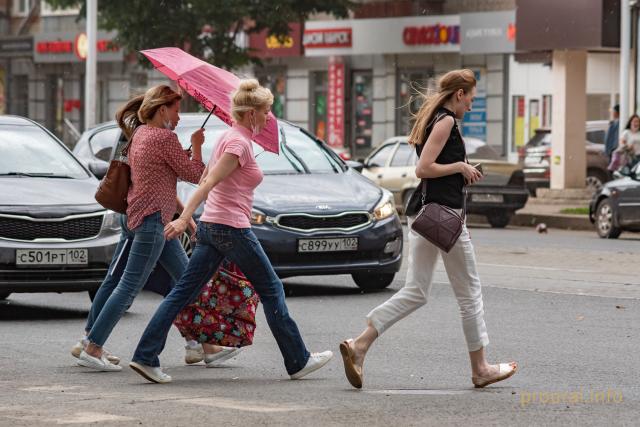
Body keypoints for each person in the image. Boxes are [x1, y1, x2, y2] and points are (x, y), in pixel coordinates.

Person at [128, 79, 333, 384]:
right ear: (251, 113)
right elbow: (207, 183)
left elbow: (212, 180)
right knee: (272, 289)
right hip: (230, 228)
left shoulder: (228, 137)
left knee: (184, 292)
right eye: (265, 112)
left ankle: (146, 356)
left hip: (213, 227)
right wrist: (184, 218)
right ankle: (298, 360)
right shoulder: (238, 143)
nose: (267, 118)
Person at [339, 69, 517, 389]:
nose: (471, 106)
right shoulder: (446, 120)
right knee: (470, 294)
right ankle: (480, 369)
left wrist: (458, 176)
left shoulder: (435, 117)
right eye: (471, 99)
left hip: (429, 215)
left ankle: (360, 345)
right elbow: (423, 169)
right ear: (459, 94)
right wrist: (460, 166)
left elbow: (431, 171)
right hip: (441, 216)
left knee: (416, 291)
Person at [72, 85, 235, 371]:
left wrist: (184, 207)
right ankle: (93, 345)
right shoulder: (163, 137)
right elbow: (195, 175)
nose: (180, 116)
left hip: (150, 218)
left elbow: (161, 172)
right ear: (163, 110)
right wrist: (197, 147)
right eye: (176, 109)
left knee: (186, 280)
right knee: (127, 287)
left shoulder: (140, 134)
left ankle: (206, 346)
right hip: (152, 221)